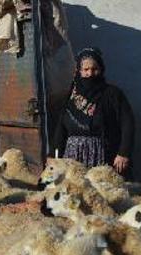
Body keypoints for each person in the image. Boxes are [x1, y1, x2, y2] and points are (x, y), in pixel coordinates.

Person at [50, 47, 135, 176]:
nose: (90, 73)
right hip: (72, 157)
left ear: (101, 70)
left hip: (102, 155)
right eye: (86, 70)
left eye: (95, 69)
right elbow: (61, 128)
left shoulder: (112, 94)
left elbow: (128, 123)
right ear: (79, 71)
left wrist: (123, 153)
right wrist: (53, 155)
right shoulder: (71, 96)